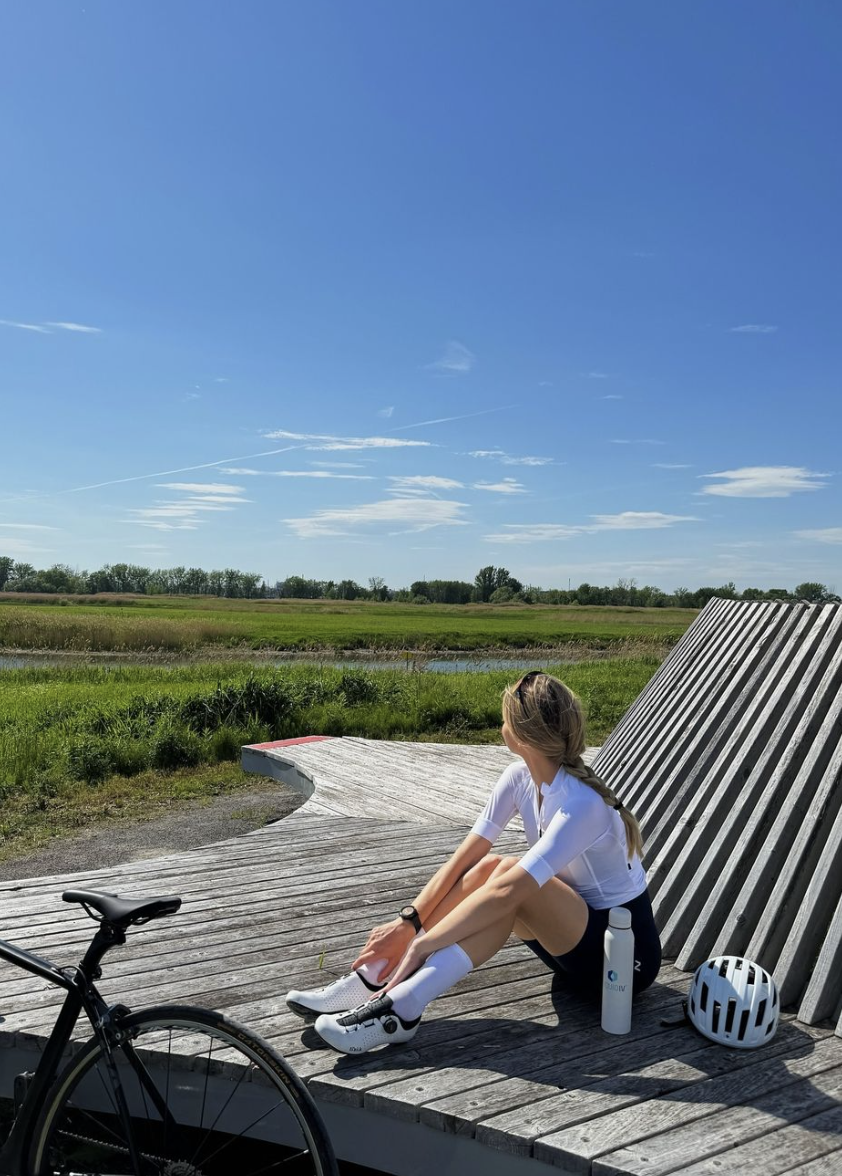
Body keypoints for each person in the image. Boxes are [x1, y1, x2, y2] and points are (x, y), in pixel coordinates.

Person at [285, 670, 661, 1054]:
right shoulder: (521, 778)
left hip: (623, 966)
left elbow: (509, 890)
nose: (501, 723)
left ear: (520, 733)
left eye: (505, 716)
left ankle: (398, 1007)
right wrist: (408, 923)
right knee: (492, 869)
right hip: (571, 945)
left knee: (507, 882)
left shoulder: (581, 804)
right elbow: (467, 858)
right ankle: (375, 978)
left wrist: (424, 943)